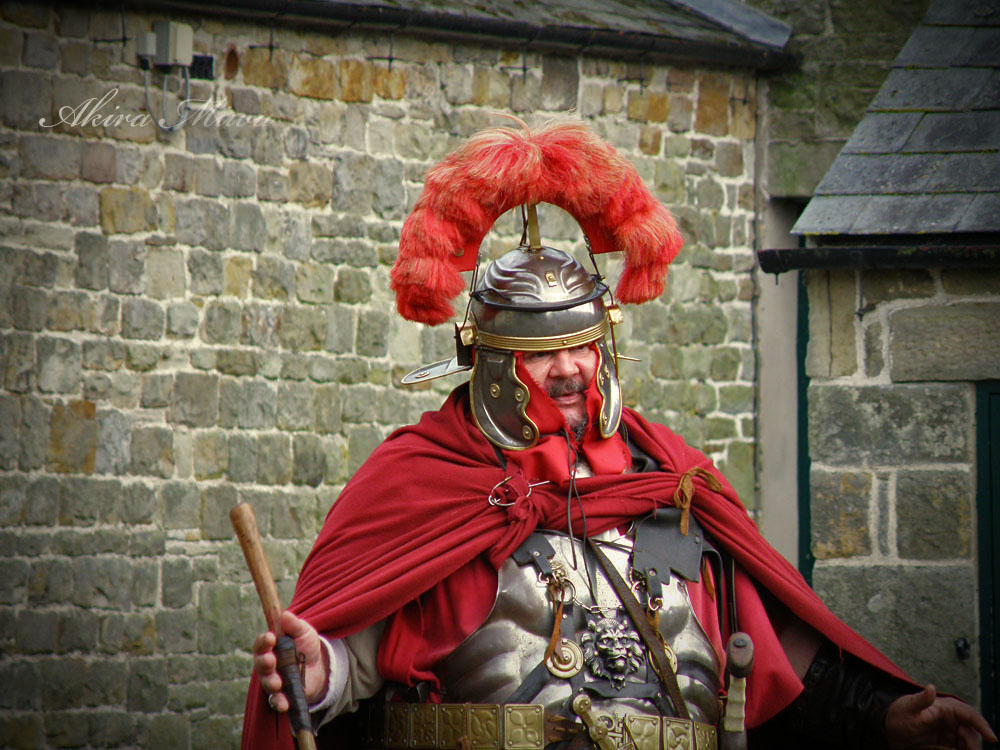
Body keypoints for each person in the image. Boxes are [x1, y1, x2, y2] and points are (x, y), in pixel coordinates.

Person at [241, 122, 995, 750]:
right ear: (491, 363)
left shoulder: (671, 479)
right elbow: (353, 658)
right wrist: (322, 673)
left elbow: (772, 659)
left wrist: (883, 715)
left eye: (584, 346)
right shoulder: (423, 481)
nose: (572, 369)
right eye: (543, 353)